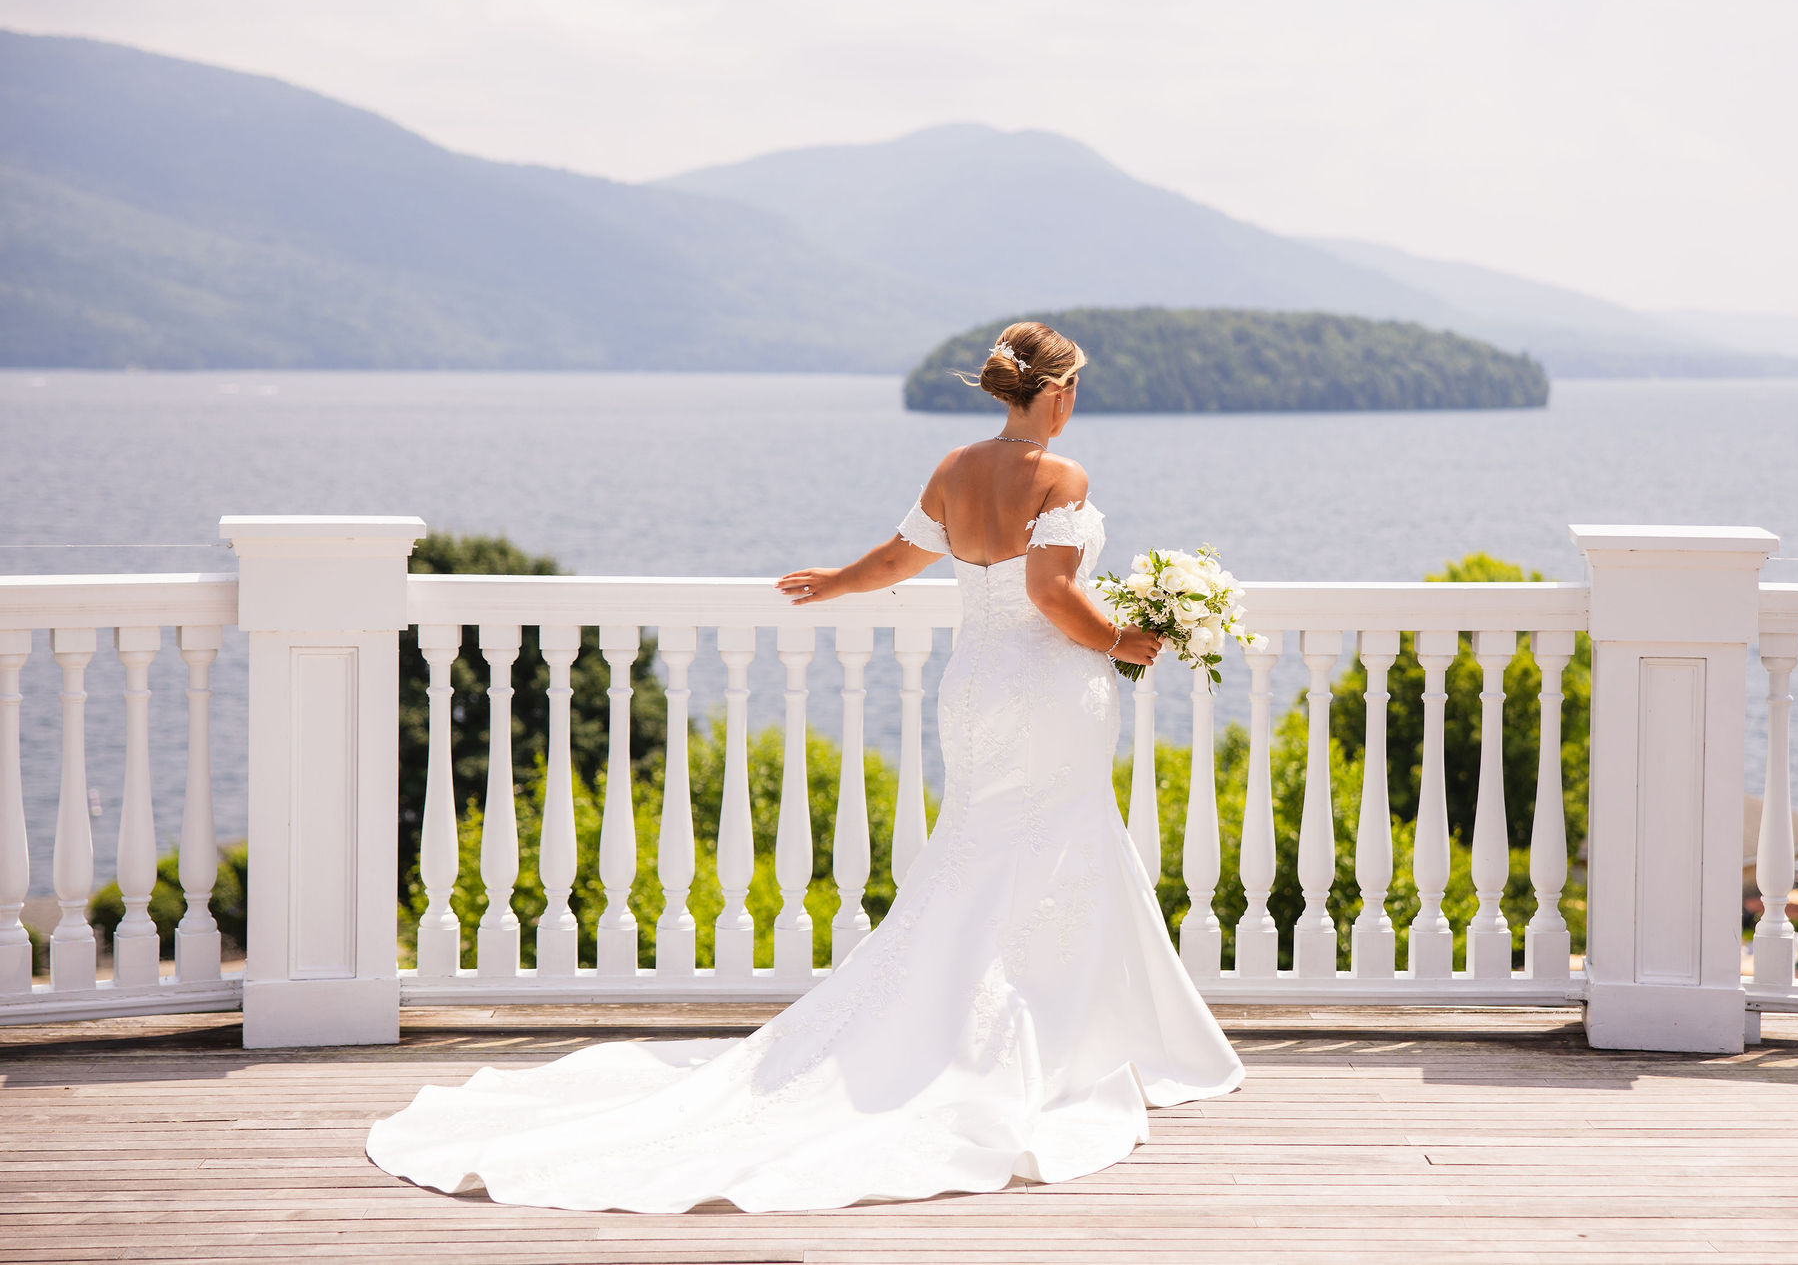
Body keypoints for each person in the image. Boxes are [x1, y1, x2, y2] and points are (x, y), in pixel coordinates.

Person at [365, 320, 1244, 1212]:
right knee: (1053, 844)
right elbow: (1050, 592)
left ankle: (1007, 1018)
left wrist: (832, 581)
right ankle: (1055, 1034)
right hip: (1046, 687)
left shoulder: (953, 469)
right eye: (1075, 388)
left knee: (983, 847)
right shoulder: (1063, 475)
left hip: (973, 688)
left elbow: (902, 559)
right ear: (1052, 393)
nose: (1075, 403)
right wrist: (1125, 641)